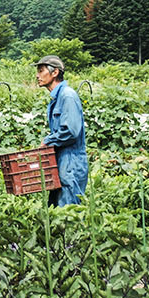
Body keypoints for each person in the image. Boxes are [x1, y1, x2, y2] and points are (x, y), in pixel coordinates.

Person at [35, 54, 88, 205]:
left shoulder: (67, 96)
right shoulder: (57, 98)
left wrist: (48, 141)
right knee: (56, 211)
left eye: (41, 71)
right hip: (61, 160)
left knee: (70, 214)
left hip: (71, 162)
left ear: (55, 72)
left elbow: (71, 131)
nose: (37, 76)